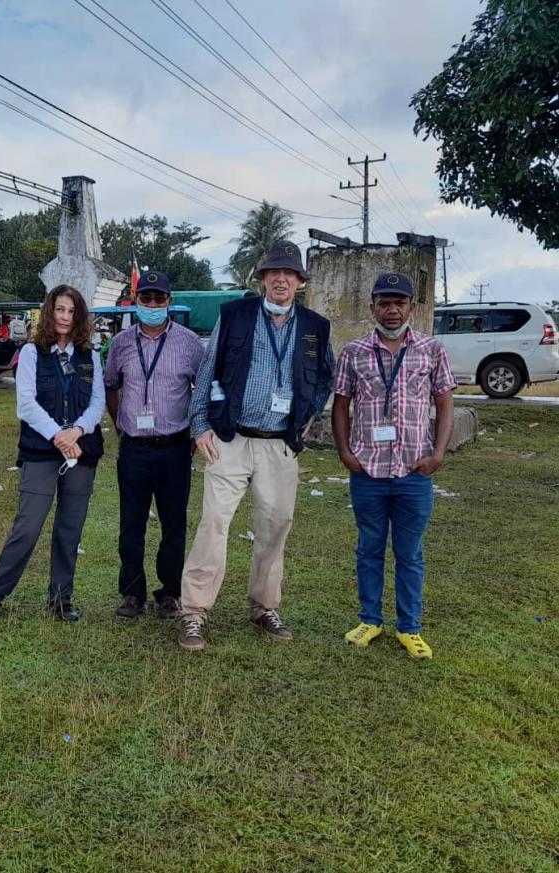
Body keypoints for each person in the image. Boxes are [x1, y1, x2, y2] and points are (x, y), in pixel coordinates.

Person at [178, 239, 334, 651]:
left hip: (279, 444)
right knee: (214, 523)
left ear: (300, 281)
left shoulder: (316, 327)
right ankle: (194, 612)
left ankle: (264, 606)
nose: (281, 279)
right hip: (231, 439)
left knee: (275, 526)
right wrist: (199, 425)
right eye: (273, 272)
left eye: (289, 274)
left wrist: (309, 414)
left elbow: (326, 377)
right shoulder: (236, 315)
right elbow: (208, 368)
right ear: (263, 278)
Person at [331, 272, 456, 659]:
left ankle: (409, 627)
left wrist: (438, 454)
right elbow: (341, 405)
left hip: (413, 472)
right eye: (384, 303)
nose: (391, 310)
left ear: (411, 307)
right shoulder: (354, 352)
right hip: (367, 471)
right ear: (372, 307)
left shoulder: (431, 350)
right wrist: (345, 452)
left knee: (409, 553)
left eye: (399, 303)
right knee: (368, 549)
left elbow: (445, 404)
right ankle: (370, 620)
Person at [0, 285, 105, 622]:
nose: (65, 317)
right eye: (60, 310)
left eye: (71, 311)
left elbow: (97, 403)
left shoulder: (90, 355)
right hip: (42, 450)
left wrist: (76, 431)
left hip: (81, 449)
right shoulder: (32, 352)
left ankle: (61, 599)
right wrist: (59, 435)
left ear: (79, 317)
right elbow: (26, 404)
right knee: (28, 526)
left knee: (70, 529)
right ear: (50, 312)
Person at [104, 271, 205, 620]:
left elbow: (203, 390)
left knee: (173, 523)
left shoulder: (189, 343)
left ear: (168, 301)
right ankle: (132, 592)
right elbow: (111, 386)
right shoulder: (121, 343)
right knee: (131, 523)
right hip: (134, 448)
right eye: (145, 298)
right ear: (136, 300)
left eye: (158, 298)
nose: (151, 304)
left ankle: (170, 592)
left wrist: (195, 433)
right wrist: (122, 426)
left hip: (175, 447)